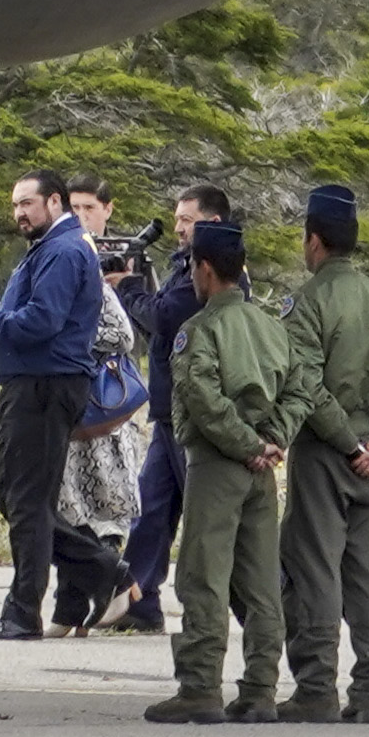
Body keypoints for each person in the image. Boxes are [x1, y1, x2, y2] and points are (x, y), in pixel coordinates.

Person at [279, 181, 369, 720]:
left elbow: (305, 384)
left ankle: (317, 685)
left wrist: (349, 442)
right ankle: (368, 690)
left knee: (315, 566)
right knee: (366, 571)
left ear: (314, 240)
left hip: (326, 451)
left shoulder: (310, 301)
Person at [0, 169, 108, 641]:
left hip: (46, 385)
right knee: (12, 495)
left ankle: (22, 612)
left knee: (27, 502)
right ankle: (102, 569)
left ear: (54, 202)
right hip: (31, 384)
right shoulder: (49, 249)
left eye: (27, 203)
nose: (19, 213)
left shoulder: (63, 250)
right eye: (15, 205)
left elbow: (43, 321)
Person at [152, 216, 295, 723]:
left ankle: (200, 686)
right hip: (263, 470)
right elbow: (301, 390)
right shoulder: (272, 328)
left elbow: (203, 399)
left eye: (192, 266)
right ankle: (260, 689)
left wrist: (245, 443)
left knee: (203, 577)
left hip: (217, 464)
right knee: (260, 583)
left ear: (205, 268)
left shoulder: (199, 330)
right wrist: (273, 439)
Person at [118, 183, 229, 635]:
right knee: (151, 507)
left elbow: (165, 317)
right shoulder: (183, 265)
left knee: (211, 517)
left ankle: (265, 599)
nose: (179, 227)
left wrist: (125, 287)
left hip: (192, 410)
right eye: (178, 219)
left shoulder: (215, 271)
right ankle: (139, 600)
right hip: (168, 407)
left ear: (214, 223)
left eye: (187, 219)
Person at [48, 232, 154, 630]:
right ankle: (69, 609)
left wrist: (65, 335)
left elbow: (122, 335)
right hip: (71, 417)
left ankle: (107, 587)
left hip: (100, 417)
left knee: (102, 511)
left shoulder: (91, 282)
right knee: (70, 512)